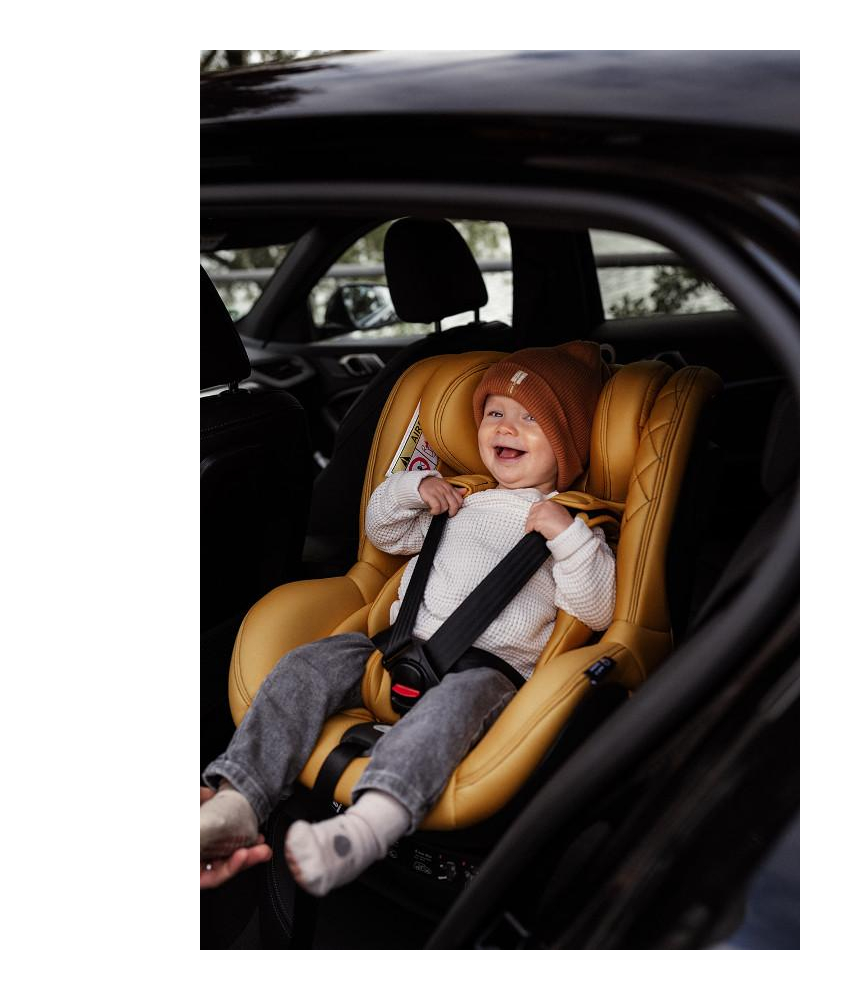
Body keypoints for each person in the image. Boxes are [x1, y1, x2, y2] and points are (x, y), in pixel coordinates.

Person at [200, 341, 615, 896]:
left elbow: (597, 608)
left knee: (450, 710)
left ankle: (364, 830)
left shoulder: (576, 525)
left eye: (529, 419)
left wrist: (567, 537)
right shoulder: (461, 499)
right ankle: (237, 800)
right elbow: (384, 533)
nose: (505, 427)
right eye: (494, 412)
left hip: (485, 671)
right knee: (304, 667)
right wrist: (414, 489)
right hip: (392, 647)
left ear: (567, 443)